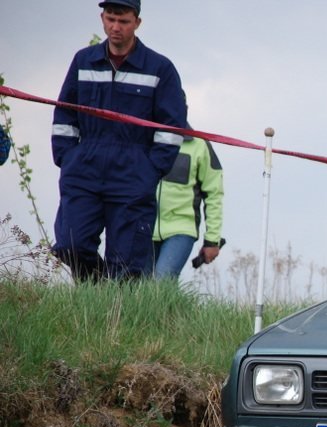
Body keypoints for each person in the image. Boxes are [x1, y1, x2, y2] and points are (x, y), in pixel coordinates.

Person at [51, 0, 186, 281]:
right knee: (70, 244)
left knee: (126, 266)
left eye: (123, 21)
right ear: (102, 18)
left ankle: (113, 304)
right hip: (84, 168)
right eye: (111, 19)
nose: (116, 27)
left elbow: (171, 127)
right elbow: (65, 114)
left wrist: (151, 169)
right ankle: (98, 291)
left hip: (133, 172)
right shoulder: (83, 61)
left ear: (137, 22)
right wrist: (67, 157)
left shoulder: (160, 68)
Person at [153, 104, 224, 279]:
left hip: (181, 228)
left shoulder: (200, 145)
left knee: (161, 280)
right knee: (139, 286)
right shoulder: (142, 138)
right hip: (143, 225)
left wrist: (212, 240)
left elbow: (214, 194)